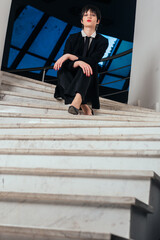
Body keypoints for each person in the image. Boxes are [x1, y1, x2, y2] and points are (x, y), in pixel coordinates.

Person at [53, 4, 108, 115]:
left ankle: (77, 101)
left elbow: (94, 60)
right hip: (70, 76)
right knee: (62, 69)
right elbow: (66, 63)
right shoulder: (72, 38)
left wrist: (72, 57)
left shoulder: (102, 41)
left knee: (87, 67)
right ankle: (82, 104)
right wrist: (77, 62)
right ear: (82, 21)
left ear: (97, 21)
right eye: (86, 14)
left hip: (87, 78)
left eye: (93, 15)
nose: (89, 16)